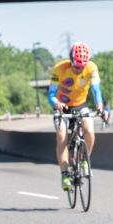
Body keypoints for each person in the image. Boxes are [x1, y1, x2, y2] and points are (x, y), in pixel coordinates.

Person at [47, 42, 105, 191]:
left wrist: (99, 104)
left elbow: (96, 89)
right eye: (76, 66)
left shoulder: (92, 68)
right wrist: (56, 103)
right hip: (62, 106)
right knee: (61, 136)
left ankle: (84, 160)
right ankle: (65, 174)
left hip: (80, 105)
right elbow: (51, 94)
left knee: (90, 131)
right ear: (71, 61)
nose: (79, 70)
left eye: (82, 66)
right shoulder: (59, 69)